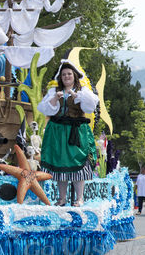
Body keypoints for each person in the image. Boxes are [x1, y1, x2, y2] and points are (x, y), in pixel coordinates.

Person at [37, 59, 99, 207]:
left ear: (74, 76)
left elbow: (90, 106)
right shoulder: (54, 91)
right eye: (64, 74)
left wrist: (76, 95)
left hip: (76, 132)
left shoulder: (83, 91)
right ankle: (62, 198)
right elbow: (44, 109)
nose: (66, 77)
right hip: (58, 133)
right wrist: (55, 98)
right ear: (60, 77)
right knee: (60, 165)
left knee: (78, 164)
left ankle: (79, 198)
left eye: (69, 74)